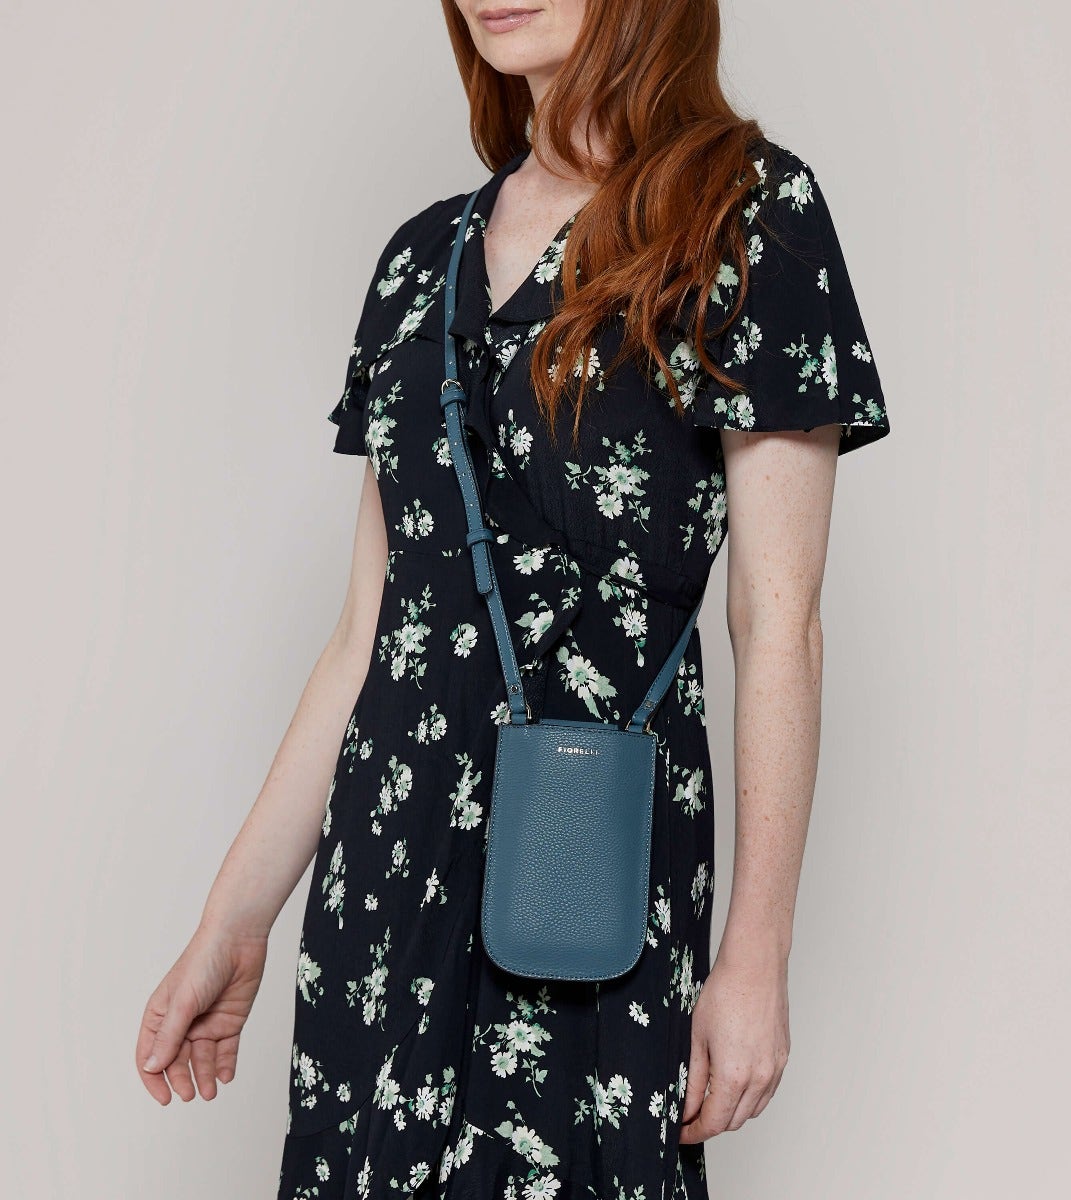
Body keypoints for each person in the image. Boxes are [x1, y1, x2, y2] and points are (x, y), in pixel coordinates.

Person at [135, 2, 891, 1195]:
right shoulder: (418, 259)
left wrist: (755, 958)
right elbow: (366, 640)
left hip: (584, 880)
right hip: (383, 889)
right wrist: (232, 924)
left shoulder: (746, 215)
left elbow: (779, 622)